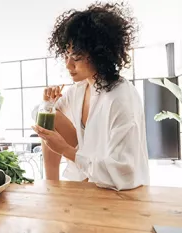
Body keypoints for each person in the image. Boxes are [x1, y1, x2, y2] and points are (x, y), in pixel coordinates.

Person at [32, 2, 149, 191]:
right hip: (87, 185)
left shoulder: (121, 97)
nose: (68, 65)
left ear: (100, 55)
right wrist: (46, 103)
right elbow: (44, 120)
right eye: (66, 55)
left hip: (122, 194)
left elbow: (125, 173)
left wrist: (66, 150)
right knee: (47, 116)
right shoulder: (79, 90)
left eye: (76, 58)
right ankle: (51, 186)